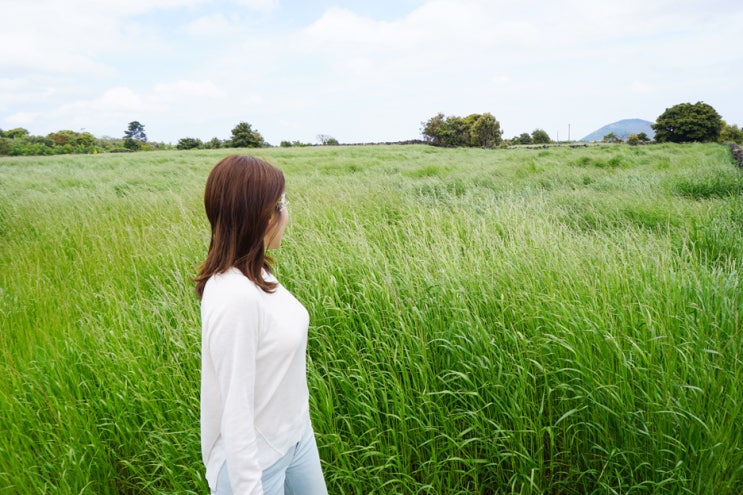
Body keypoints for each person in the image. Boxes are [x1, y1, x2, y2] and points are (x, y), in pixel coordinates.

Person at [194, 155, 328, 495]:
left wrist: (299, 426)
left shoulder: (258, 272)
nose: (286, 213)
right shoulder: (233, 296)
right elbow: (235, 412)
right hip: (256, 463)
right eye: (279, 204)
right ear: (258, 216)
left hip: (296, 438)